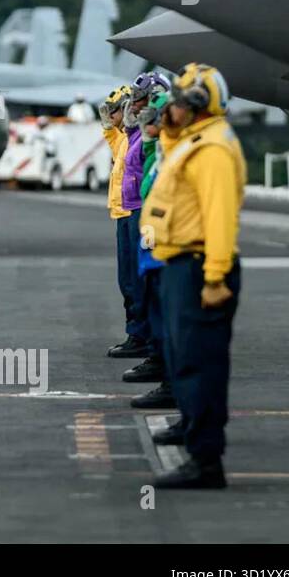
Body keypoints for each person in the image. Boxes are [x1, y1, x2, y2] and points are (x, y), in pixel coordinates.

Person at [144, 63, 244, 490]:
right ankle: (195, 438)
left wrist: (215, 278)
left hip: (200, 267)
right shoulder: (195, 140)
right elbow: (170, 158)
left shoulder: (213, 150)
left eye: (178, 103)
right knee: (185, 358)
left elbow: (219, 219)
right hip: (181, 266)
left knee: (200, 364)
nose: (172, 108)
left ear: (197, 105)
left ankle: (205, 461)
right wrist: (169, 128)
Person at [118, 72, 172, 386]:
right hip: (135, 207)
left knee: (148, 285)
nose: (135, 107)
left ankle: (156, 353)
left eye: (140, 101)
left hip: (146, 212)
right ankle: (148, 346)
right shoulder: (142, 136)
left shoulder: (169, 142)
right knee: (135, 280)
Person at [129, 90, 175, 410]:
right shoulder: (164, 148)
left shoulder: (192, 151)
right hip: (154, 235)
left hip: (171, 244)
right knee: (152, 301)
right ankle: (162, 366)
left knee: (170, 313)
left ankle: (174, 382)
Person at [100, 84, 148, 359]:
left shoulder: (141, 137)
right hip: (123, 212)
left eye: (114, 111)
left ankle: (141, 336)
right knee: (127, 280)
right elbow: (116, 146)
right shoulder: (126, 138)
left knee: (136, 280)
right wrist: (109, 129)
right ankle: (136, 333)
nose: (111, 116)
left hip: (135, 212)